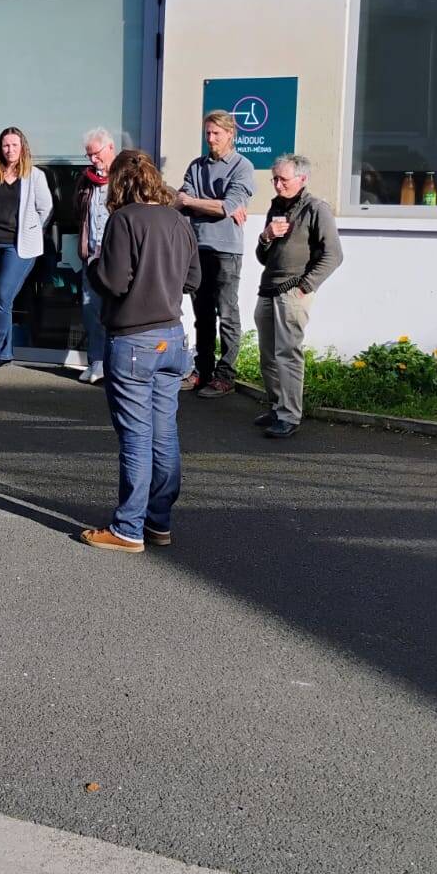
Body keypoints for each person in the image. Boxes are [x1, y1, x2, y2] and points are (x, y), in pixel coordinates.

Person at [81, 149, 200, 554]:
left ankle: (128, 528)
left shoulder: (124, 220)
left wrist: (92, 265)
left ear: (119, 182)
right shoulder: (178, 220)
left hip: (134, 340)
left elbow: (113, 282)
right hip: (173, 338)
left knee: (136, 437)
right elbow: (193, 280)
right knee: (164, 434)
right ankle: (158, 522)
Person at [254, 154, 343, 439]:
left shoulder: (316, 209)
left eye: (283, 179)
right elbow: (263, 257)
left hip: (292, 290)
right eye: (275, 179)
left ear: (302, 179)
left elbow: (333, 255)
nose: (278, 185)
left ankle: (289, 416)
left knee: (288, 354)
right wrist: (266, 236)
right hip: (268, 288)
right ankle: (276, 407)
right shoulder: (276, 207)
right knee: (268, 355)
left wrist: (306, 285)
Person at [177, 109, 255, 398]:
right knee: (203, 315)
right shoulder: (196, 166)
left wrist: (195, 202)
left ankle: (226, 376)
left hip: (226, 251)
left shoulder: (242, 166)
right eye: (207, 133)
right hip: (197, 248)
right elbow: (180, 201)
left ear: (230, 134)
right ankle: (203, 371)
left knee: (228, 314)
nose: (210, 138)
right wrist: (205, 204)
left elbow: (227, 207)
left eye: (216, 133)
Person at [0, 127, 53, 370]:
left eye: (15, 145)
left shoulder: (35, 176)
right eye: (6, 145)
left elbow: (45, 209)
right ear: (0, 148)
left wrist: (32, 230)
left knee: (3, 294)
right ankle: (5, 353)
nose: (10, 150)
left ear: (23, 147)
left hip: (18, 247)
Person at [71, 128, 116, 384]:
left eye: (96, 154)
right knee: (91, 309)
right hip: (91, 253)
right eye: (88, 155)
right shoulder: (86, 180)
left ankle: (113, 363)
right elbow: (77, 210)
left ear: (110, 148)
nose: (92, 159)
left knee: (114, 311)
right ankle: (96, 361)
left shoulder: (124, 177)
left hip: (116, 255)